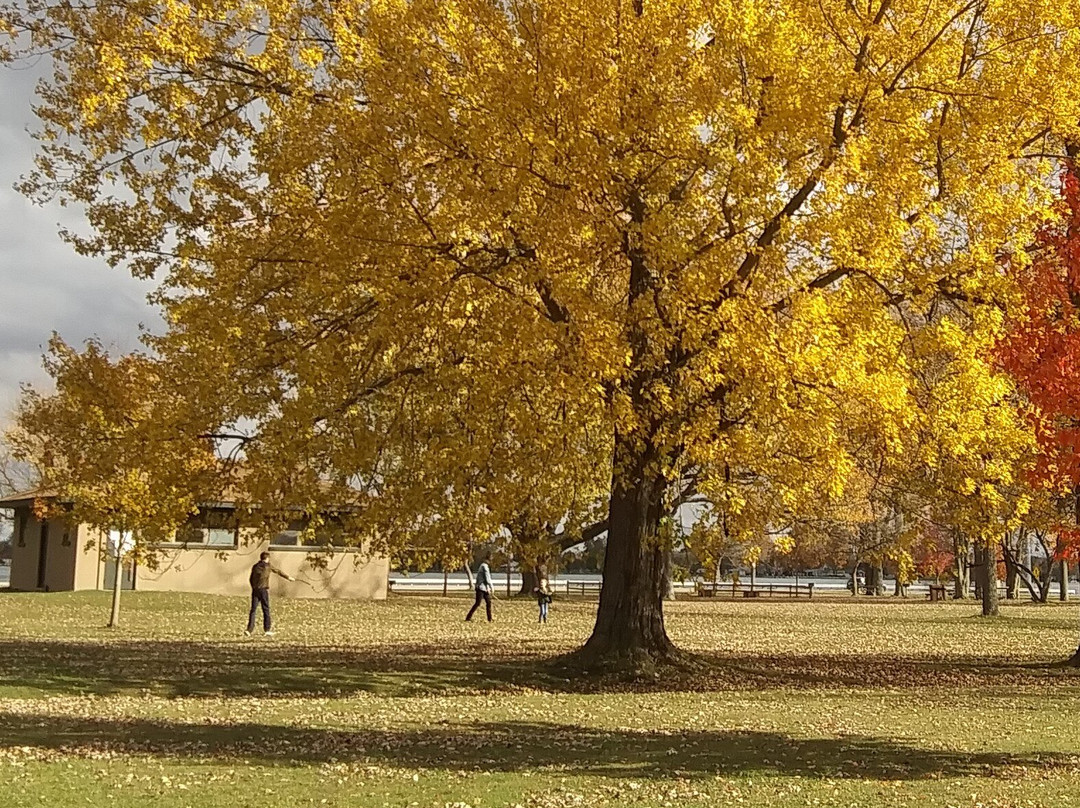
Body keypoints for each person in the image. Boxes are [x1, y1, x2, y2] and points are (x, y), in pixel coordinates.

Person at [246, 551, 293, 636]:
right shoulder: (268, 566)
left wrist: (253, 587)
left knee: (253, 610)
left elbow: (251, 578)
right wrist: (288, 577)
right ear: (267, 558)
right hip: (263, 590)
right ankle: (267, 629)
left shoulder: (255, 566)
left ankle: (249, 630)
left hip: (255, 590)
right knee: (266, 609)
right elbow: (278, 571)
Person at [465, 553, 494, 622]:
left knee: (488, 602)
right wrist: (491, 587)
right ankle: (468, 617)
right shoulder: (484, 566)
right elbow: (487, 578)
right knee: (478, 603)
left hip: (484, 588)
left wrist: (487, 588)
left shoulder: (484, 566)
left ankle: (489, 619)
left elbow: (485, 579)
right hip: (480, 588)